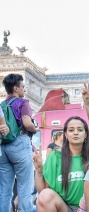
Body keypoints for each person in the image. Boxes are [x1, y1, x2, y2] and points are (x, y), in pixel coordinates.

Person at [32, 116, 89, 211]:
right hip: (65, 208)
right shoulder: (55, 156)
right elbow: (43, 192)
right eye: (71, 130)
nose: (75, 133)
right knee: (44, 197)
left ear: (86, 134)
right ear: (65, 135)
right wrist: (39, 171)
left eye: (80, 130)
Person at [0, 73, 37, 212]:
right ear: (16, 88)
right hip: (20, 144)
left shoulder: (1, 105)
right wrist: (36, 128)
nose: (24, 89)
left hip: (3, 147)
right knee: (25, 188)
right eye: (23, 86)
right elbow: (27, 124)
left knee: (4, 190)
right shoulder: (23, 102)